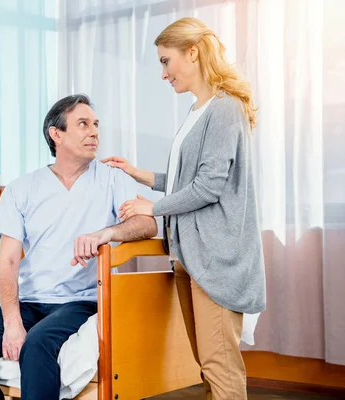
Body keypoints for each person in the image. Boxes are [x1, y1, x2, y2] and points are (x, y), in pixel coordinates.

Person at [0, 94, 158, 400]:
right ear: (56, 134)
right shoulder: (23, 188)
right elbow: (7, 262)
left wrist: (106, 233)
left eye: (96, 124)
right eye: (83, 124)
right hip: (31, 302)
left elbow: (147, 224)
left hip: (82, 301)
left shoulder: (113, 178)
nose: (94, 132)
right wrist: (12, 322)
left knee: (38, 345)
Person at [102, 17, 265, 400]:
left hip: (215, 258)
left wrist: (154, 207)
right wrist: (140, 174)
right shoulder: (199, 110)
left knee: (219, 366)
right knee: (208, 366)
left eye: (165, 61)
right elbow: (188, 177)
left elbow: (209, 186)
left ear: (191, 53)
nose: (163, 74)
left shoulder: (224, 109)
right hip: (190, 256)